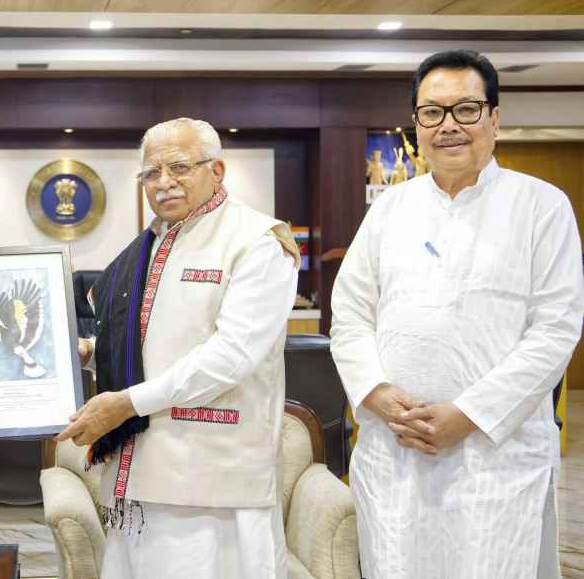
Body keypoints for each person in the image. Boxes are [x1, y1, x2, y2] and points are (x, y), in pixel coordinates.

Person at [330, 50, 584, 579]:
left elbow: (555, 329)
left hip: (493, 456)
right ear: (416, 123)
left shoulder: (542, 206)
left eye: (466, 110)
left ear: (494, 117)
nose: (448, 126)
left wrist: (465, 416)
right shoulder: (388, 212)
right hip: (395, 450)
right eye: (432, 112)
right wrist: (377, 394)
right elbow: (350, 315)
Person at [56, 117, 300, 579]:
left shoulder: (256, 242)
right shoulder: (146, 247)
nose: (164, 182)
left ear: (217, 170)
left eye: (180, 167)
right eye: (151, 173)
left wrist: (126, 404)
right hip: (141, 473)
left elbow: (232, 356)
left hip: (213, 482)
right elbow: (139, 341)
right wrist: (88, 354)